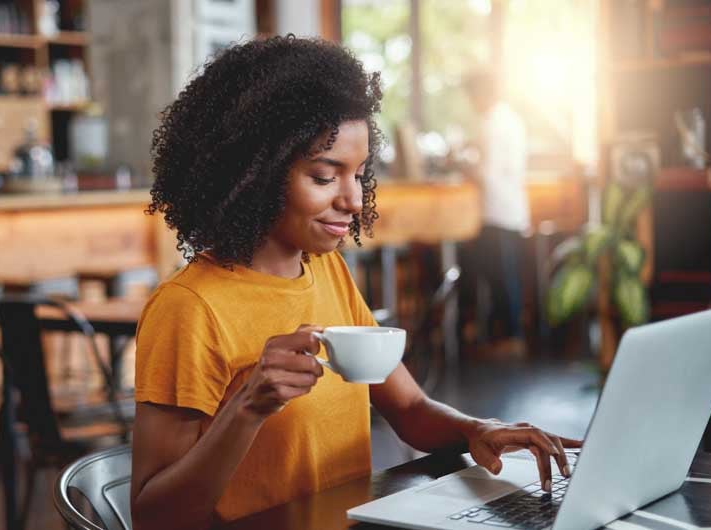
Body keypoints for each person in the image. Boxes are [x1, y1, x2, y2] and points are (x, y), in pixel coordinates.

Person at [130, 36, 578, 530]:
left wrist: (479, 429)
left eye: (360, 174)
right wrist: (246, 410)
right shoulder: (189, 308)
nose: (353, 200)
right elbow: (155, 518)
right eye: (324, 177)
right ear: (252, 175)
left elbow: (408, 406)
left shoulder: (326, 269)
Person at [462, 69, 530, 354]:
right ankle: (501, 335)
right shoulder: (509, 119)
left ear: (482, 94)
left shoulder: (493, 123)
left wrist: (466, 168)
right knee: (502, 275)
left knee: (501, 277)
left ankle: (510, 338)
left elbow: (488, 173)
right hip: (510, 209)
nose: (472, 103)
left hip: (497, 210)